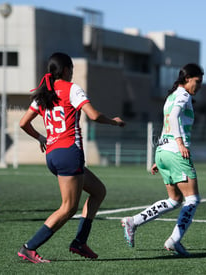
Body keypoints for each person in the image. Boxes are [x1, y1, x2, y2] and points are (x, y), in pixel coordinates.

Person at [17, 52, 125, 263]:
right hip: (69, 153)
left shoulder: (44, 93)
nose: (72, 72)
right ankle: (29, 248)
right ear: (66, 70)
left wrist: (41, 138)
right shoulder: (71, 89)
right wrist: (113, 121)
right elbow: (93, 115)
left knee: (98, 191)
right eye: (72, 69)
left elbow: (23, 123)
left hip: (53, 154)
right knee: (68, 207)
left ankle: (80, 242)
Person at [121, 63, 204, 257]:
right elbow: (174, 118)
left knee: (175, 200)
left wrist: (161, 157)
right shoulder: (183, 94)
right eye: (197, 81)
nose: (199, 86)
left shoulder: (171, 95)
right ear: (187, 78)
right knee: (192, 198)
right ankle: (174, 241)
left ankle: (133, 221)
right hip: (175, 151)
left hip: (163, 151)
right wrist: (180, 144)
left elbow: (167, 122)